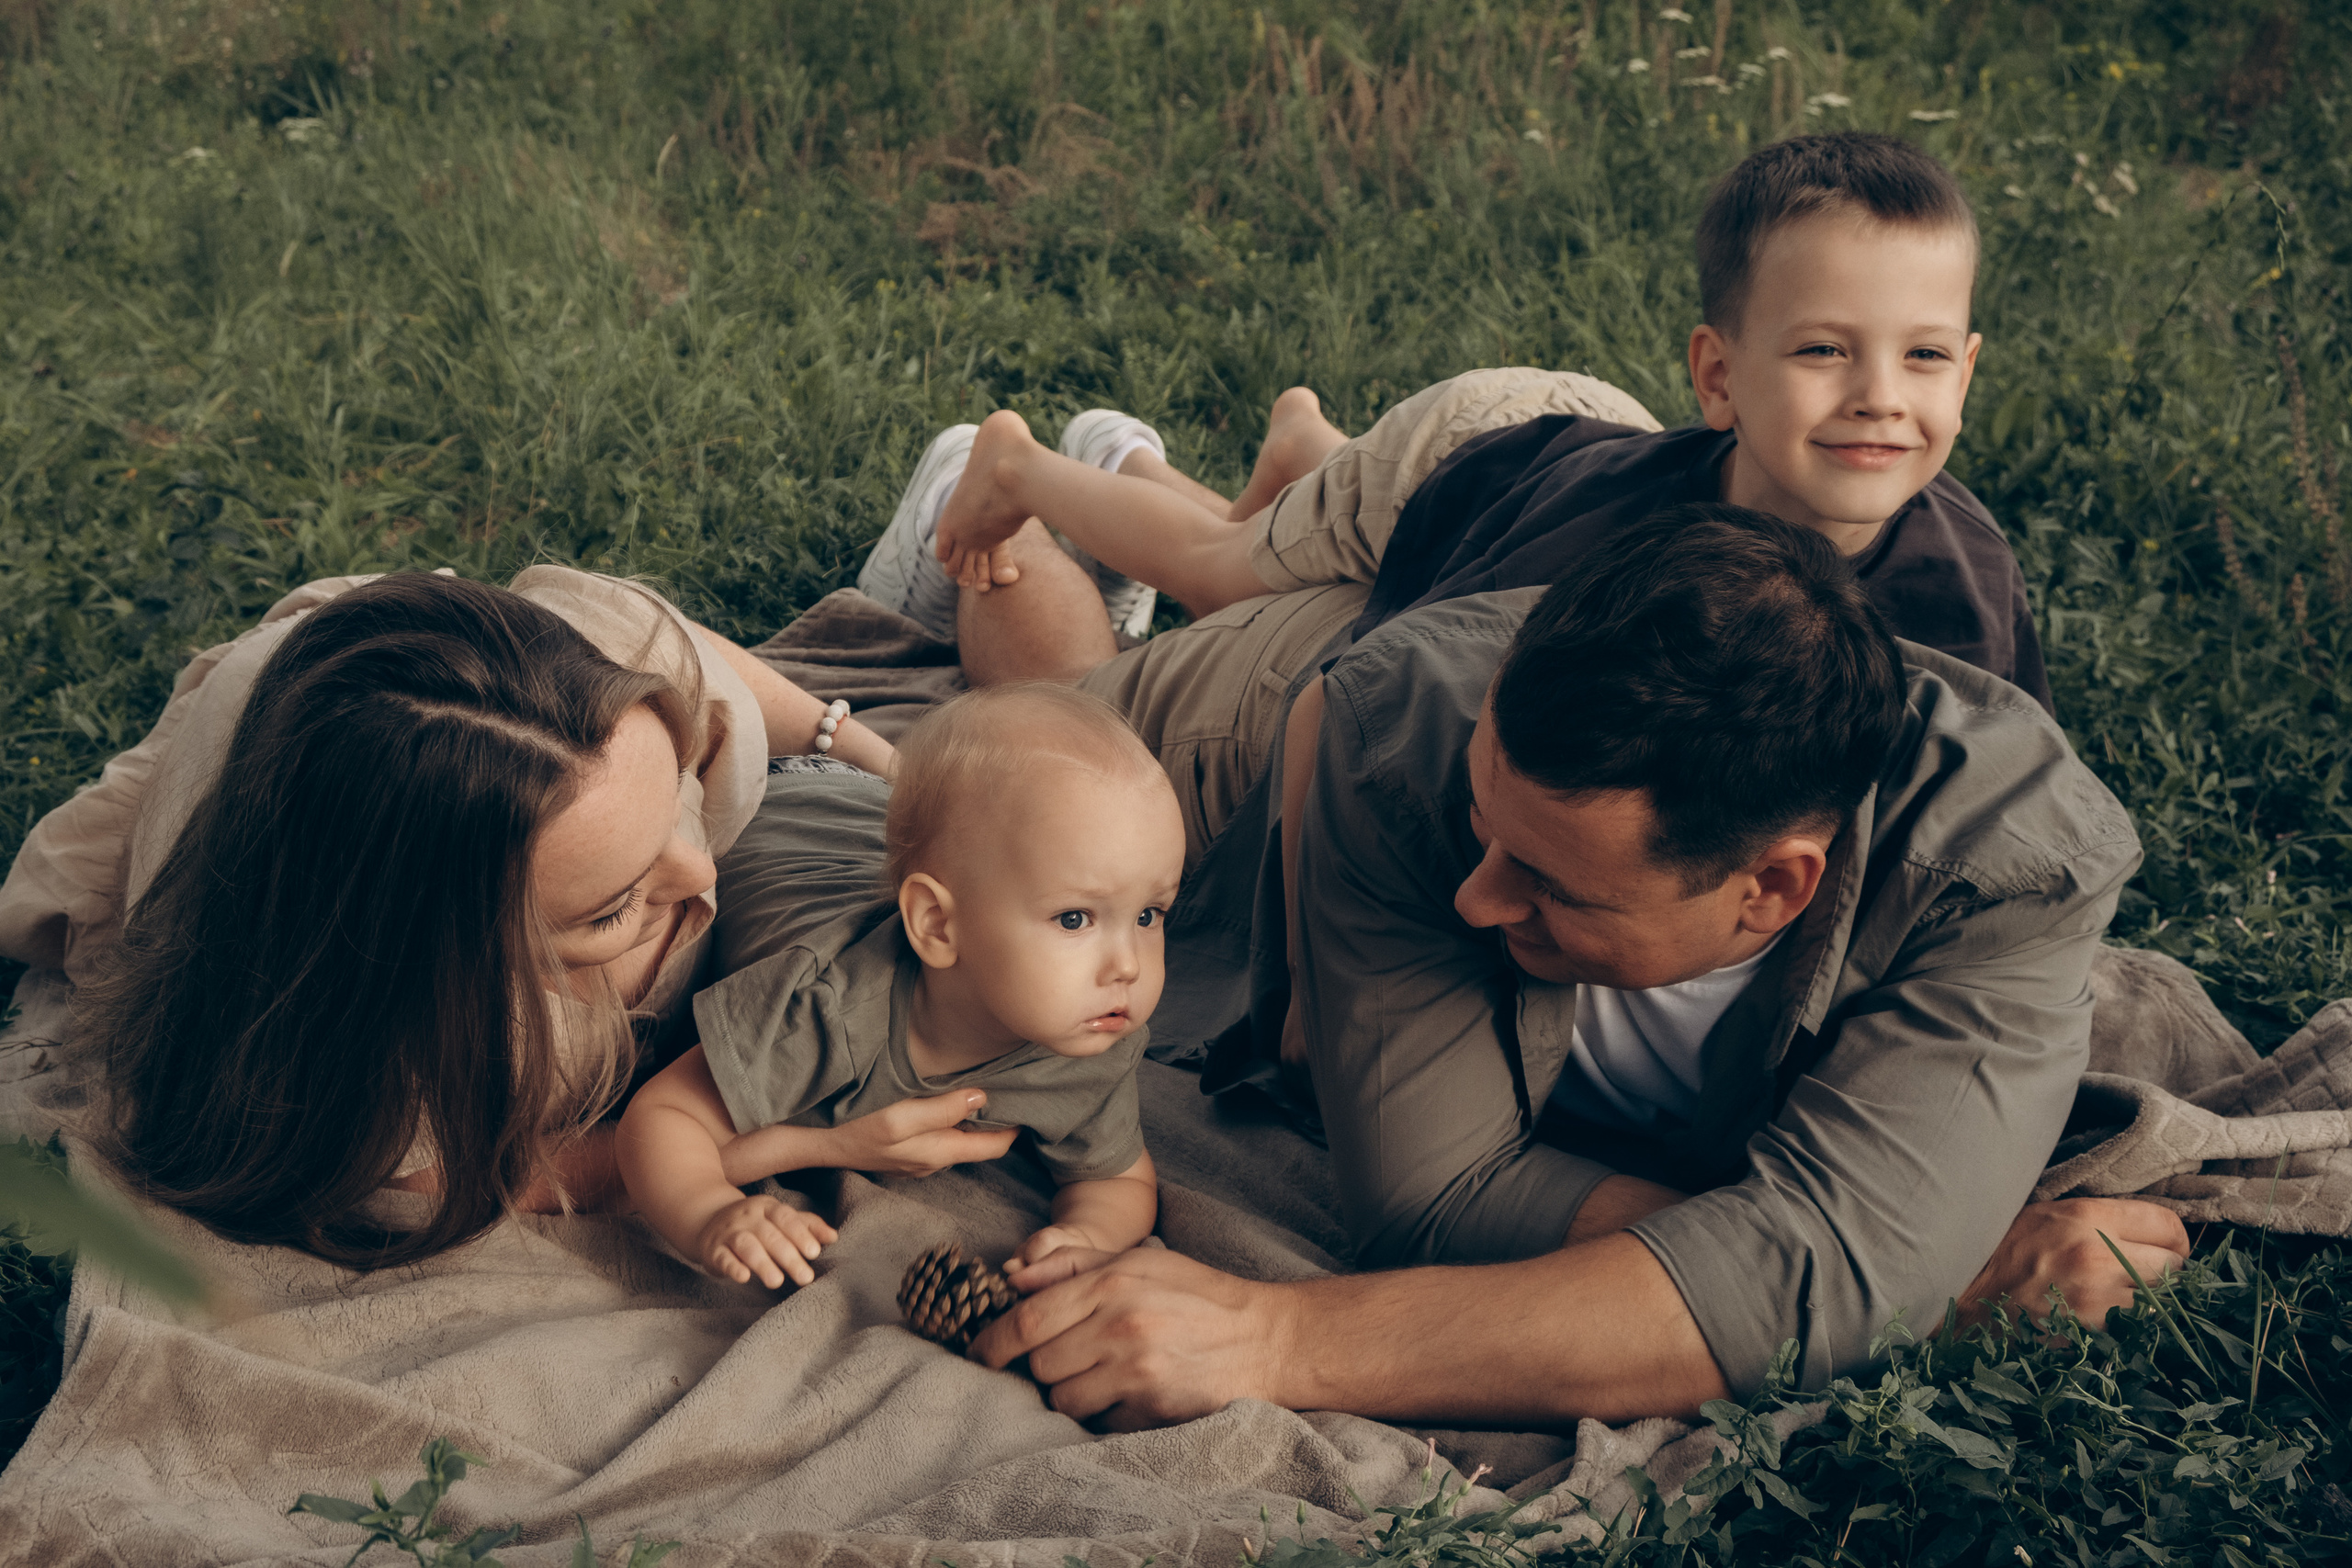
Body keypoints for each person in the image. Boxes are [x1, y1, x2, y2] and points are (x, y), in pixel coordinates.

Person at [952, 508, 2192, 1432]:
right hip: (1232, 739)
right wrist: (1904, 1270)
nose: (1475, 898)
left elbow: (1817, 1266)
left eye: (1550, 883)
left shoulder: (2011, 869)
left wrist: (1274, 1338)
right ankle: (989, 505)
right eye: (1480, 826)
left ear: (1772, 888)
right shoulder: (1405, 733)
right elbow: (1438, 1197)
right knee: (1005, 756)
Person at [0, 567, 1027, 1268]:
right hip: (268, 756)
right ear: (452, 962)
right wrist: (807, 1141)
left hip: (404, 666)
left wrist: (875, 757)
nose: (699, 867)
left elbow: (698, 666)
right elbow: (508, 1172)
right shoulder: (362, 1068)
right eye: (615, 904)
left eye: (673, 786)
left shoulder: (605, 692)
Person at [871, 130, 2049, 723]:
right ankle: (1018, 466)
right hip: (1470, 449)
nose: (1880, 396)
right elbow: (1388, 672)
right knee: (1224, 574)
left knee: (1310, 548)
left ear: (1966, 369)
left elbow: (2009, 769)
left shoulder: (1970, 575)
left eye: (1923, 356)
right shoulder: (1616, 545)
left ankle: (1297, 457)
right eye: (1823, 350)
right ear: (1718, 376)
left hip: (1529, 467)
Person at [616, 684, 1178, 1290]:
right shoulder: (823, 1006)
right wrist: (711, 1212)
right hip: (784, 793)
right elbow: (665, 1114)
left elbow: (1117, 1177)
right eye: (1074, 919)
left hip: (880, 822)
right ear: (937, 926)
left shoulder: (1093, 1032)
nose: (1128, 966)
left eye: (1149, 915)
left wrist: (1088, 1236)